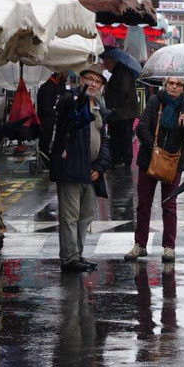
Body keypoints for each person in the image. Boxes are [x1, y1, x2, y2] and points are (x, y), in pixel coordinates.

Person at [125, 76, 184, 263]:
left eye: (178, 84)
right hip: (149, 159)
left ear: (183, 88)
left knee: (169, 204)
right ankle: (140, 244)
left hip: (173, 162)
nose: (174, 87)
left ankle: (169, 247)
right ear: (165, 85)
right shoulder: (154, 102)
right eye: (170, 83)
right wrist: (155, 149)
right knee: (144, 203)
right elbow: (142, 128)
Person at [49, 63, 110, 273]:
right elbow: (67, 113)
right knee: (70, 215)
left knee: (86, 215)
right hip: (71, 168)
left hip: (90, 171)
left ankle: (78, 254)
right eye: (89, 79)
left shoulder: (99, 106)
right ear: (81, 79)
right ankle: (69, 257)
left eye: (97, 81)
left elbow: (104, 140)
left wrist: (100, 166)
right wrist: (80, 99)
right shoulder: (70, 99)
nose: (93, 84)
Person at [102, 54, 139, 168]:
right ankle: (119, 158)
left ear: (111, 61)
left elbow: (122, 91)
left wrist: (113, 106)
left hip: (123, 112)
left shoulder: (122, 73)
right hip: (121, 112)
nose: (105, 65)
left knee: (124, 136)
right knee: (119, 136)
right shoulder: (119, 72)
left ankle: (124, 159)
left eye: (106, 62)